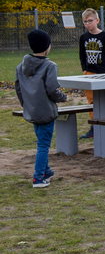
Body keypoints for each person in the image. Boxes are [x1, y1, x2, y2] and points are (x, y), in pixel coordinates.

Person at [15, 29, 67, 188]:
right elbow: (52, 89)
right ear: (46, 47)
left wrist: (26, 104)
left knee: (41, 141)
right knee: (43, 146)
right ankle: (38, 178)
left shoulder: (20, 67)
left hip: (31, 110)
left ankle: (46, 171)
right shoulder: (49, 66)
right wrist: (62, 97)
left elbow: (18, 88)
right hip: (45, 111)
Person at [78, 8, 105, 139]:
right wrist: (84, 68)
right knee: (91, 101)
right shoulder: (83, 37)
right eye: (85, 21)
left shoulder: (104, 36)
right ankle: (94, 126)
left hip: (104, 73)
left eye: (90, 21)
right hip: (90, 72)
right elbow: (82, 55)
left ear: (97, 20)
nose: (88, 24)